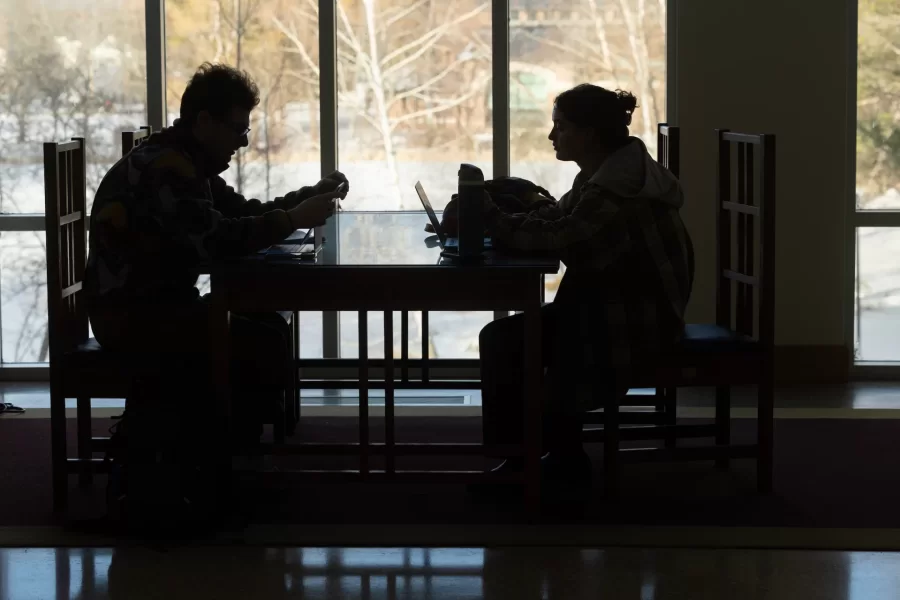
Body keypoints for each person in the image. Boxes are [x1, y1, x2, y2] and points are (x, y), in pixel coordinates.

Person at [84, 62, 349, 445]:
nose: (243, 141)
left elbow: (240, 211)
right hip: (134, 318)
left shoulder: (186, 162)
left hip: (154, 306)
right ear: (205, 122)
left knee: (269, 328)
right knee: (264, 342)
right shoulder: (168, 169)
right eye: (238, 129)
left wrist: (306, 197)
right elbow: (218, 238)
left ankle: (220, 445)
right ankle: (211, 452)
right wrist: (293, 218)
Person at [478, 84, 693, 483]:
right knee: (520, 335)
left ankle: (548, 462)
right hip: (619, 309)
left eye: (560, 127)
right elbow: (561, 220)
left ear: (589, 134)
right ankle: (544, 456)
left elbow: (563, 239)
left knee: (512, 340)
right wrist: (526, 204)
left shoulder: (616, 187)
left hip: (635, 324)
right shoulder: (612, 171)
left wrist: (491, 218)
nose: (551, 136)